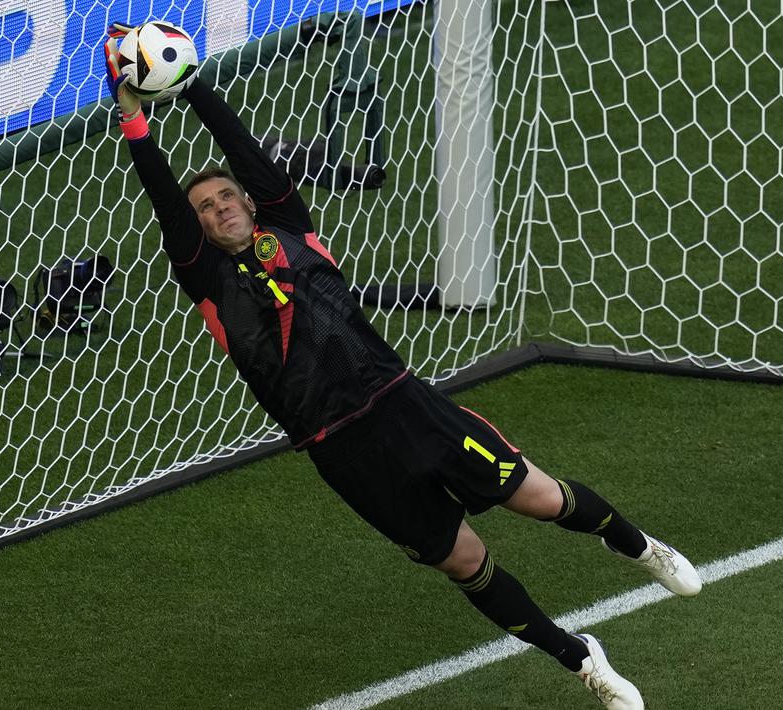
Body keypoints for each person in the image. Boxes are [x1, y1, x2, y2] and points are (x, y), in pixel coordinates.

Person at [102, 25, 701, 709]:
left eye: (226, 198)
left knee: (540, 498)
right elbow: (159, 193)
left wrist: (193, 83)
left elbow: (239, 146)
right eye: (205, 209)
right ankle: (581, 659)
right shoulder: (205, 278)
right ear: (199, 228)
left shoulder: (290, 230)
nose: (218, 210)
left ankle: (636, 546)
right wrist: (132, 117)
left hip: (402, 404)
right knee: (465, 562)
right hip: (339, 449)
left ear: (248, 202)